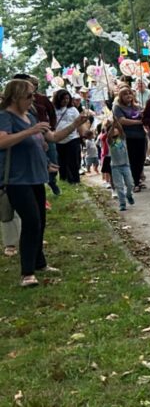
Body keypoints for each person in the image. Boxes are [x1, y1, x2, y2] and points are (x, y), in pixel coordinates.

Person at [0, 79, 88, 287]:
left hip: (36, 176)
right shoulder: (5, 117)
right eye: (29, 95)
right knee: (31, 220)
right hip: (16, 179)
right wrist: (29, 132)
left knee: (39, 221)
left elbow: (53, 137)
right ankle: (27, 272)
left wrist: (75, 125)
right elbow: (2, 141)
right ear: (15, 97)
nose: (33, 99)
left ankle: (39, 262)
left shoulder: (30, 116)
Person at [113, 86, 148, 191]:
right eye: (125, 94)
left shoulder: (137, 106)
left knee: (141, 159)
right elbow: (122, 120)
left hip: (140, 136)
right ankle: (135, 182)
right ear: (121, 96)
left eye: (129, 93)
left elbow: (144, 116)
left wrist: (144, 115)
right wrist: (138, 122)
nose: (128, 95)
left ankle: (137, 179)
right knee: (132, 159)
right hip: (128, 137)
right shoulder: (117, 107)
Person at [52, 89, 84, 184]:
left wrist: (82, 135)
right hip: (58, 139)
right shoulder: (53, 110)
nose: (65, 101)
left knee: (73, 161)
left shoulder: (73, 110)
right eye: (63, 99)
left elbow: (79, 123)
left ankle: (75, 180)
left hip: (72, 138)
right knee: (61, 161)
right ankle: (64, 179)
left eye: (67, 98)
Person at [107, 119, 134, 211]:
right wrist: (112, 127)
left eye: (115, 129)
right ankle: (122, 203)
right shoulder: (110, 141)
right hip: (115, 167)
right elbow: (109, 135)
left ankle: (129, 195)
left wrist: (116, 123)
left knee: (130, 184)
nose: (115, 130)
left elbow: (121, 130)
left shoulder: (122, 138)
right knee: (119, 186)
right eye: (113, 130)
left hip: (125, 165)